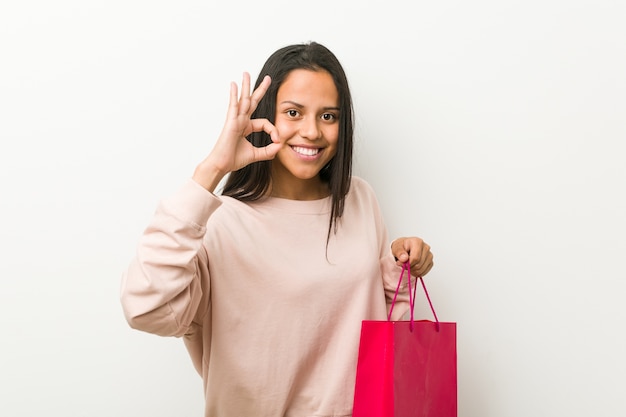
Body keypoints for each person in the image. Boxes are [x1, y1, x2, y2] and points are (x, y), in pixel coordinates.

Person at [120, 41, 434, 417]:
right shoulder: (219, 221)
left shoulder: (359, 201)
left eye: (329, 116)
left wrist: (401, 268)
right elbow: (145, 308)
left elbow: (388, 333)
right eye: (293, 112)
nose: (312, 132)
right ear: (266, 117)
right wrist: (212, 169)